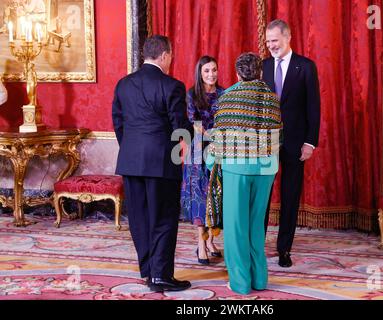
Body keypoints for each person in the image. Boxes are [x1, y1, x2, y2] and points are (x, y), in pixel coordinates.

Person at [112, 35, 193, 292]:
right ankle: (160, 276)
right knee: (164, 219)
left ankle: (148, 270)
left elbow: (118, 123)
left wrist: (132, 149)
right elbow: (180, 127)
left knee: (139, 219)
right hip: (161, 163)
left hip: (131, 162)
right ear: (165, 55)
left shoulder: (123, 84)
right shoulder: (172, 86)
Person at [207, 52, 282, 295]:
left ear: (238, 73)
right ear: (260, 72)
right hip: (265, 169)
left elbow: (220, 138)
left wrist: (211, 162)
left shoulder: (227, 96)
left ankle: (240, 283)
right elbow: (278, 136)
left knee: (236, 226)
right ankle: (260, 279)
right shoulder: (272, 97)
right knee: (256, 226)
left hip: (236, 168)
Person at [263, 19, 321, 268]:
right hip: (265, 143)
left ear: (288, 38)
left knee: (290, 196)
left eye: (274, 40)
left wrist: (310, 142)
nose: (270, 46)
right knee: (262, 196)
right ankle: (257, 244)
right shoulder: (262, 66)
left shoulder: (306, 67)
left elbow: (313, 107)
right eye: (267, 42)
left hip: (295, 143)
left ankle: (284, 248)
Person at [180, 56, 224, 265]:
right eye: (207, 71)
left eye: (214, 70)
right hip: (198, 150)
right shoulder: (192, 94)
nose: (211, 75)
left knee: (216, 195)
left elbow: (226, 120)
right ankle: (200, 243)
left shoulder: (224, 94)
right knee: (200, 198)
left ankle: (211, 240)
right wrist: (209, 136)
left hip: (218, 149)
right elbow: (193, 122)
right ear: (200, 72)